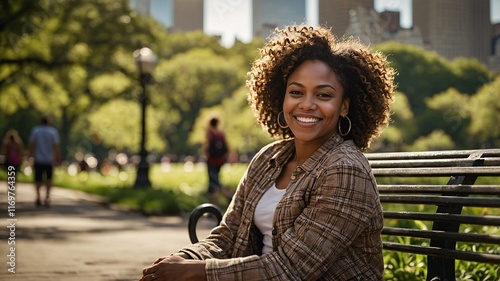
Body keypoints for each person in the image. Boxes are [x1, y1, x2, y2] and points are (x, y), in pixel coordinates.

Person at [139, 24, 395, 281]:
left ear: (344, 106)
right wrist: (184, 259)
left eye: (323, 95)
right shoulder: (268, 159)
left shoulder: (345, 171)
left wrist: (198, 272)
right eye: (296, 92)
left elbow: (292, 270)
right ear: (280, 98)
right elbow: (227, 236)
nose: (306, 104)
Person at [28, 116, 61, 208]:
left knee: (38, 179)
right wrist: (58, 156)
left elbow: (32, 144)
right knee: (49, 179)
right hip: (49, 159)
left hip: (38, 159)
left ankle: (38, 196)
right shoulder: (53, 132)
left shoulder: (36, 131)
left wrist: (29, 156)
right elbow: (56, 145)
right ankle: (47, 196)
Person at [204, 116, 230, 204]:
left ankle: (227, 196)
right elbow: (227, 147)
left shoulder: (210, 133)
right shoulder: (221, 133)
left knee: (214, 183)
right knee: (215, 181)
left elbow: (207, 147)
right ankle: (214, 204)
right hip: (220, 161)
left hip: (211, 161)